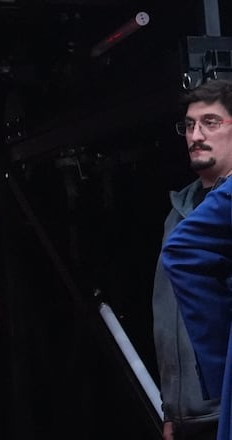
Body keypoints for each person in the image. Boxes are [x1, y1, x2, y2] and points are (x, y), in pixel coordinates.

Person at [153, 79, 232, 439]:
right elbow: (168, 317)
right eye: (189, 125)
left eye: (210, 122)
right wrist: (172, 409)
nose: (196, 135)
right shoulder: (178, 212)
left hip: (224, 405)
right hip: (187, 416)